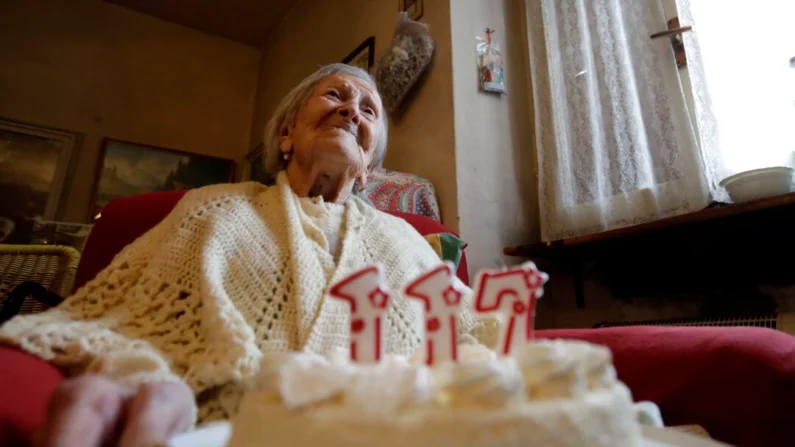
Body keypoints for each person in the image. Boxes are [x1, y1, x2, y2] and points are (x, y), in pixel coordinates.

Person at [0, 64, 496, 447]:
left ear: (368, 166)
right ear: (285, 135)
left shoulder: (408, 241)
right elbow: (120, 321)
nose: (352, 111)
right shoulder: (211, 208)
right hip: (219, 428)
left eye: (369, 111)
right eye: (335, 96)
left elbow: (481, 336)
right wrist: (145, 377)